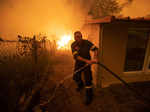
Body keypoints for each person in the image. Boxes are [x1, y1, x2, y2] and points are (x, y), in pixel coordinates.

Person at [71, 31, 98, 105]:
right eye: (77, 37)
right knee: (75, 76)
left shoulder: (86, 42)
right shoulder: (73, 45)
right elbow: (76, 56)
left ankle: (89, 96)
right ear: (74, 38)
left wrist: (95, 58)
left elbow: (95, 49)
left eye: (80, 36)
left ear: (81, 36)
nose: (78, 38)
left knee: (88, 79)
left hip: (87, 64)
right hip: (79, 63)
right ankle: (80, 85)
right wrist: (87, 60)